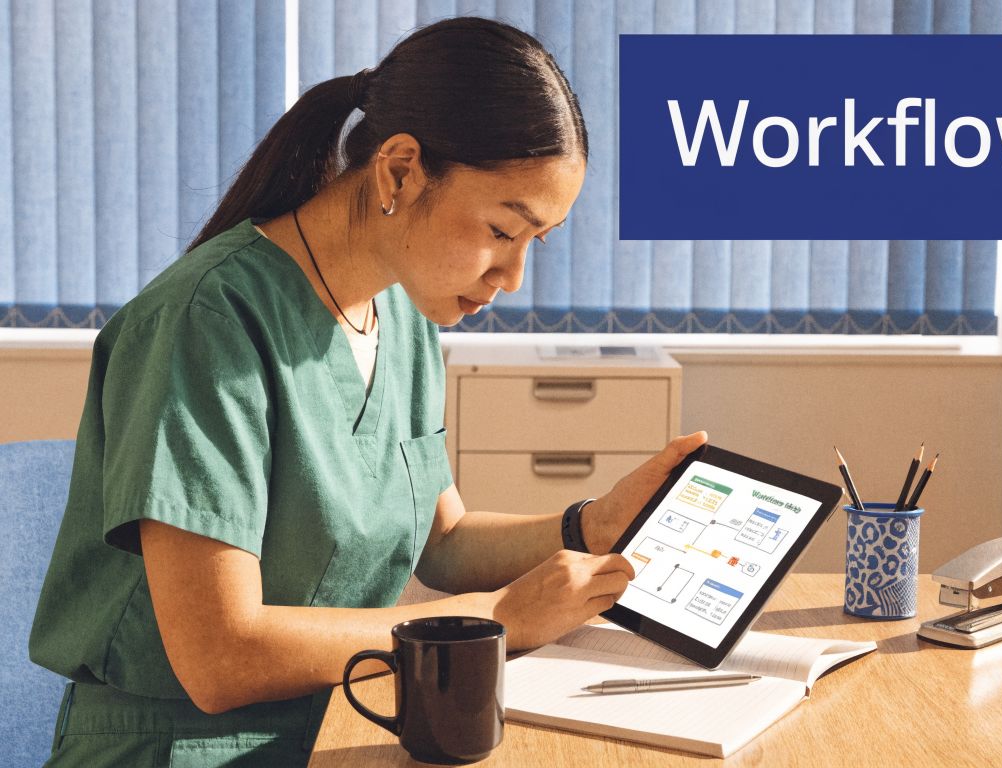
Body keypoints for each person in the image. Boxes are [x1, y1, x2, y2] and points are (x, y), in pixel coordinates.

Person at [29, 16, 708, 766]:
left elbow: (441, 543)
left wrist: (592, 523)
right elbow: (219, 656)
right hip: (183, 748)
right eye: (501, 230)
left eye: (533, 243)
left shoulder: (400, 314)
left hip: (350, 722)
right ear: (398, 172)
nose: (512, 278)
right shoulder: (204, 323)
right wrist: (498, 621)